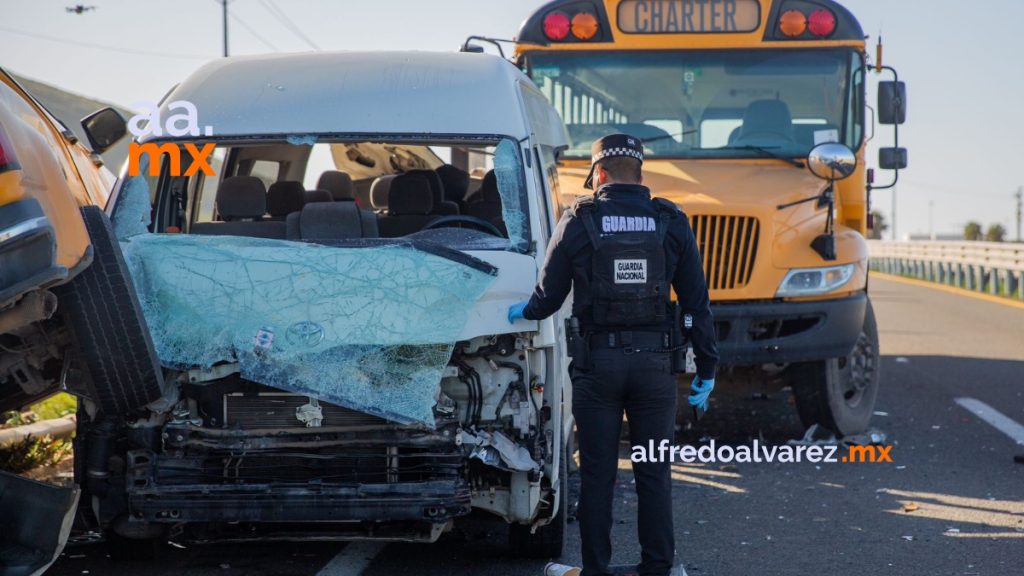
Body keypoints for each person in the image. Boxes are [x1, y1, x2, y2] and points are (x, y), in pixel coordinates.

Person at [507, 134, 718, 576]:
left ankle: (596, 569)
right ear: (641, 175)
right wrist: (708, 370)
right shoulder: (671, 220)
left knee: (599, 476)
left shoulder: (579, 220)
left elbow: (547, 297)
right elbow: (698, 304)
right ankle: (657, 567)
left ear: (598, 174)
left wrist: (521, 311)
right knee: (654, 474)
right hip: (656, 370)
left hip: (597, 369)